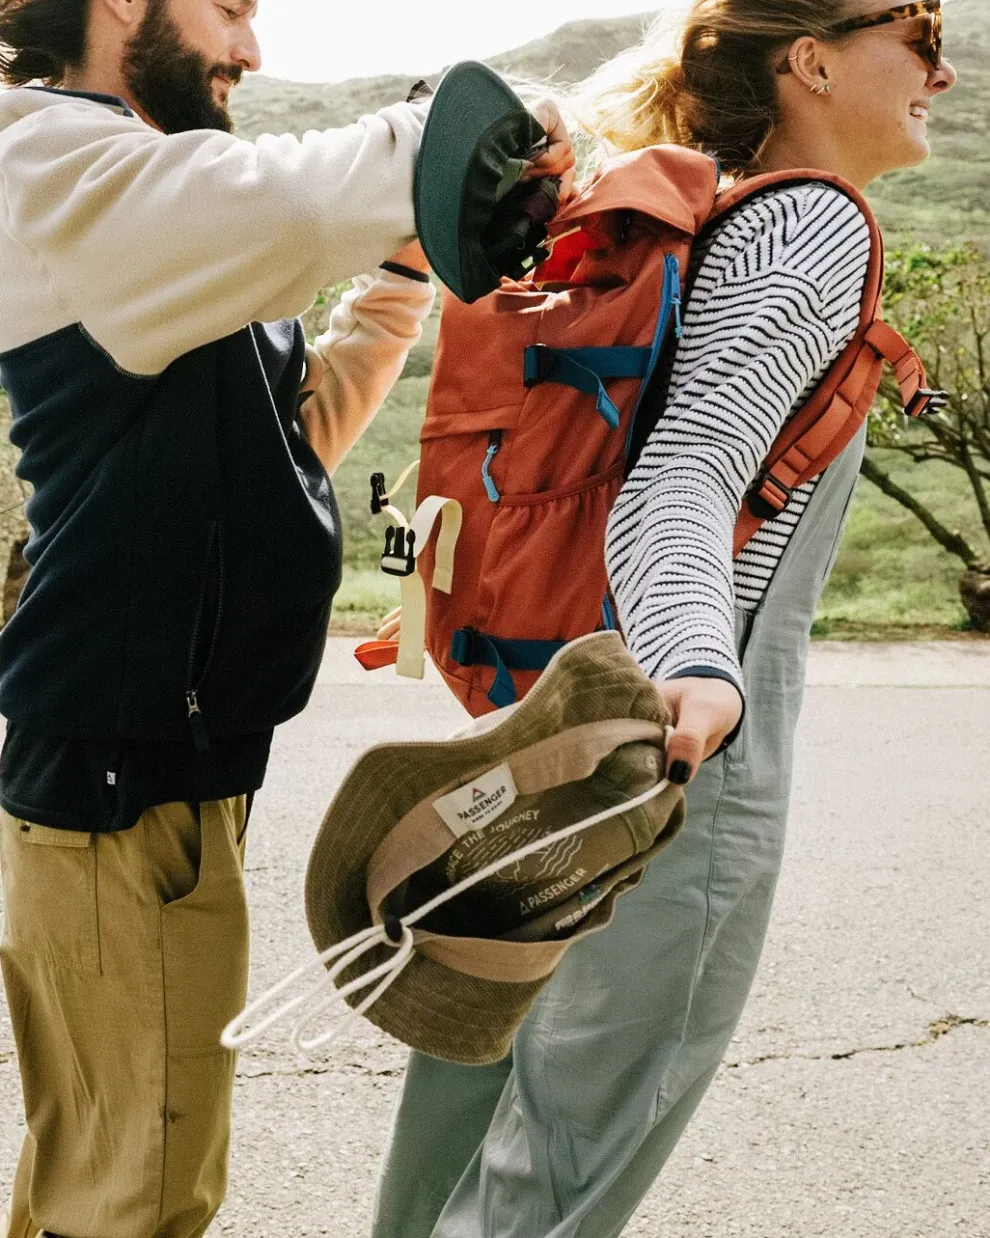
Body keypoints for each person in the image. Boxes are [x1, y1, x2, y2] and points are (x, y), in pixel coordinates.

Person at [372, 3, 956, 1236]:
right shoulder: (804, 224)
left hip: (559, 711)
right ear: (811, 60)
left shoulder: (705, 228)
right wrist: (697, 661)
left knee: (470, 1090)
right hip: (681, 743)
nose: (941, 72)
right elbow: (685, 470)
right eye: (919, 33)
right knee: (573, 1148)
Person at [0, 1, 573, 1236]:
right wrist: (485, 129)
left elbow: (294, 430)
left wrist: (403, 279)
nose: (252, 53)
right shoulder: (50, 160)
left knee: (104, 1156)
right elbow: (323, 194)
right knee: (141, 1188)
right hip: (121, 767)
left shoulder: (159, 211)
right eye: (232, 8)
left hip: (166, 758)